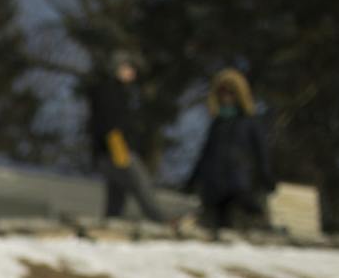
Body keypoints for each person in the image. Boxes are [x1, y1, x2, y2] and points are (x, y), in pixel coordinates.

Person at [183, 69, 275, 234]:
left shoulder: (250, 122)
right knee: (215, 229)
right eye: (222, 92)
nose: (226, 96)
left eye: (231, 92)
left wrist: (266, 177)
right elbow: (205, 154)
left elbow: (261, 153)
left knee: (239, 225)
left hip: (238, 185)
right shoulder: (217, 123)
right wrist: (191, 182)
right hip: (214, 187)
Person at [85, 53, 168, 224]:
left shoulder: (122, 93)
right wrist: (119, 149)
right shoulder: (109, 91)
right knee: (141, 185)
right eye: (129, 68)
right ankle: (161, 221)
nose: (132, 73)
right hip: (116, 147)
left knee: (117, 192)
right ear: (118, 68)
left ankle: (110, 223)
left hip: (108, 151)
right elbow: (108, 123)